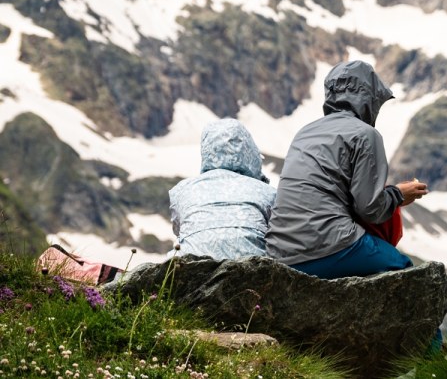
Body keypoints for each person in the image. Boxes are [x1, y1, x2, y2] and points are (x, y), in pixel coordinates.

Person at [266, 60, 428, 279]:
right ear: (369, 99)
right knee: (403, 269)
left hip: (279, 254)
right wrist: (398, 195)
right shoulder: (365, 135)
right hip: (327, 246)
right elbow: (369, 209)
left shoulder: (305, 132)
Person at [169, 118, 276, 259]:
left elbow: (179, 229)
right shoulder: (267, 192)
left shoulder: (181, 190)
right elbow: (278, 234)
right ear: (250, 151)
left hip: (191, 267)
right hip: (254, 267)